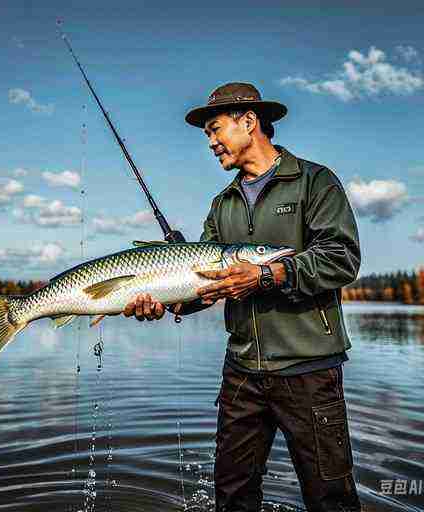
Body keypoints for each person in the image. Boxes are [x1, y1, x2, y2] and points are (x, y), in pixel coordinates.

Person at [123, 82, 362, 512]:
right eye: (208, 136)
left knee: (331, 499)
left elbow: (341, 258)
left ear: (249, 122)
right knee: (232, 497)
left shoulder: (314, 182)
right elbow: (204, 286)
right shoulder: (222, 204)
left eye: (215, 130)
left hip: (309, 371)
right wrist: (164, 300)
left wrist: (268, 274)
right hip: (242, 374)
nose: (211, 142)